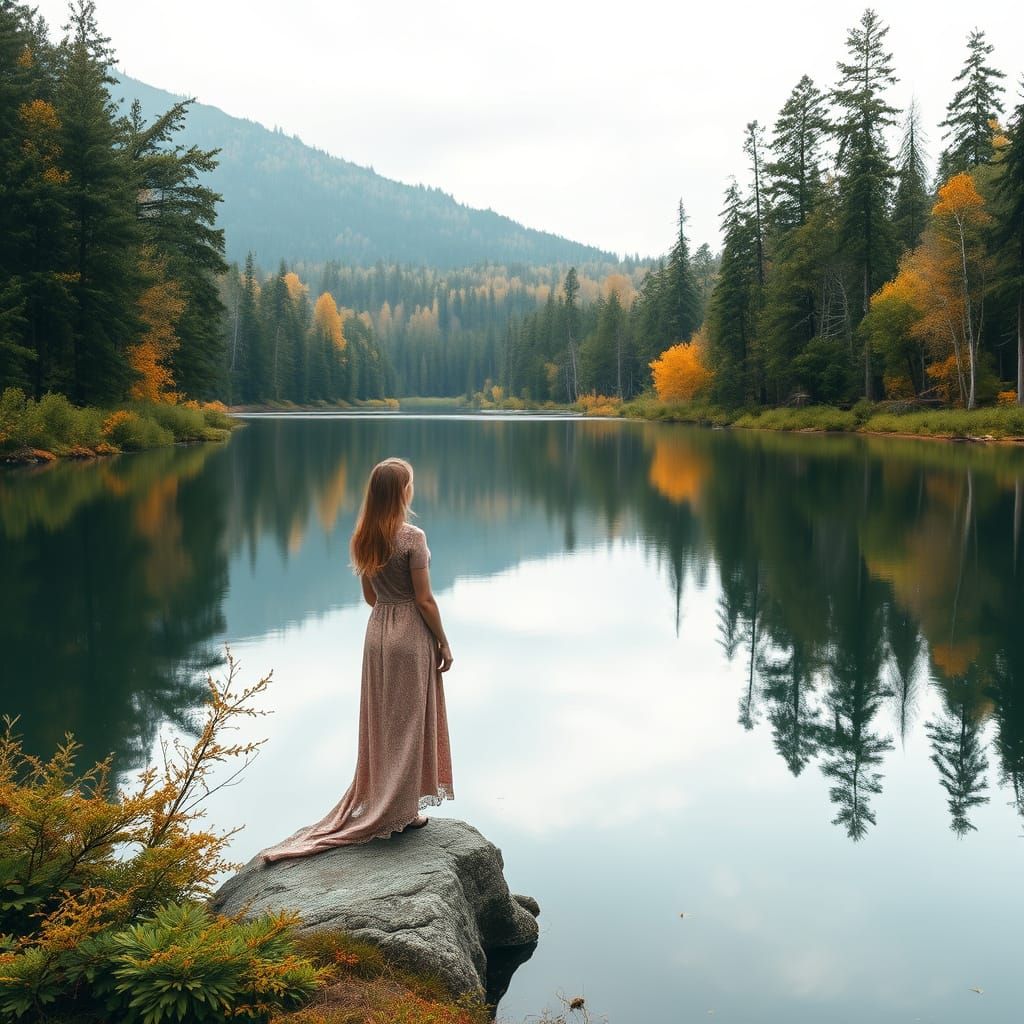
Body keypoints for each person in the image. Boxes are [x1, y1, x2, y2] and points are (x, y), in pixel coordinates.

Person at [262, 457, 454, 861]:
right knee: (410, 719)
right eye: (410, 484)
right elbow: (424, 599)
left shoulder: (362, 536)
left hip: (378, 632)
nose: (412, 489)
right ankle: (402, 811)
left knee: (384, 719)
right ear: (403, 491)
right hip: (409, 634)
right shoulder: (412, 538)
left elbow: (371, 597)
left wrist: (389, 610)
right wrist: (443, 642)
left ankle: (390, 800)